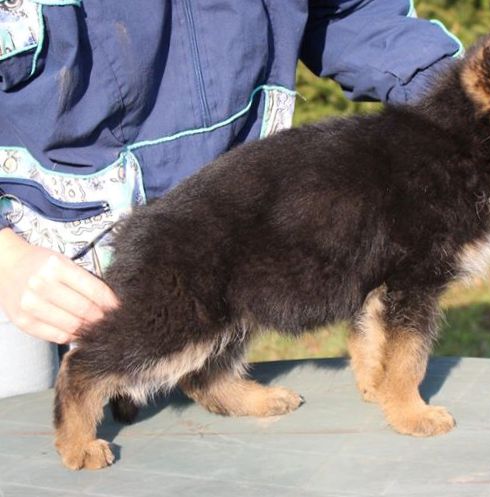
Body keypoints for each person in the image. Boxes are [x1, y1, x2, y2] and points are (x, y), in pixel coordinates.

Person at [0, 0, 462, 398]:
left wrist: (470, 103)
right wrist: (8, 259)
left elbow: (351, 13)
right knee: (27, 445)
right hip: (29, 270)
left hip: (215, 274)